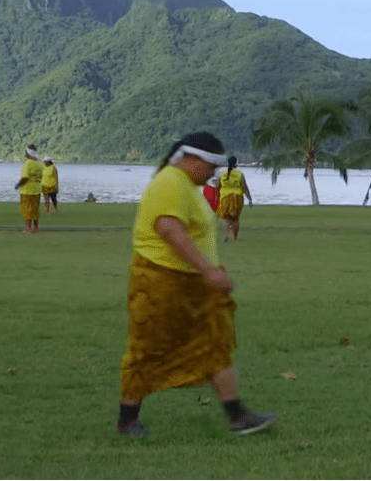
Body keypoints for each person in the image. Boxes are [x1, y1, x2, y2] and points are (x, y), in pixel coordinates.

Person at [117, 131, 276, 438]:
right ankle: (127, 419)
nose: (214, 172)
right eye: (210, 164)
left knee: (215, 343)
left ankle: (237, 415)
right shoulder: (170, 181)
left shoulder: (187, 185)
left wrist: (208, 273)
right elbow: (169, 229)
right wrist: (209, 270)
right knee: (147, 348)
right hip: (160, 280)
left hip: (193, 283)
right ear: (189, 158)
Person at [214, 156, 252, 242]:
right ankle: (235, 237)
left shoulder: (222, 173)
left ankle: (226, 235)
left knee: (226, 218)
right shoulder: (239, 174)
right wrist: (249, 198)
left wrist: (217, 197)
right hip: (236, 197)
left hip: (224, 197)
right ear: (236, 164)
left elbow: (217, 186)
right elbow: (244, 187)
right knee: (235, 218)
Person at [15, 143, 44, 233]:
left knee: (27, 209)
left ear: (28, 153)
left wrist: (18, 184)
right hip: (37, 189)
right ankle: (35, 227)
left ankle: (28, 228)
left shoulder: (28, 163)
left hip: (27, 190)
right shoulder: (40, 164)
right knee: (35, 209)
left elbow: (25, 177)